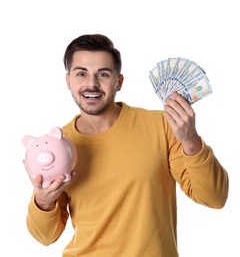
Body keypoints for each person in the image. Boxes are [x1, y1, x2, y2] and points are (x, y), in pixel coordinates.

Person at [25, 34, 229, 257]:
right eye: (81, 73)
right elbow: (45, 237)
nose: (91, 84)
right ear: (68, 81)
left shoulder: (161, 125)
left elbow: (215, 198)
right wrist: (43, 201)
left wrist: (191, 141)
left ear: (119, 82)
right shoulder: (58, 146)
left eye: (103, 74)